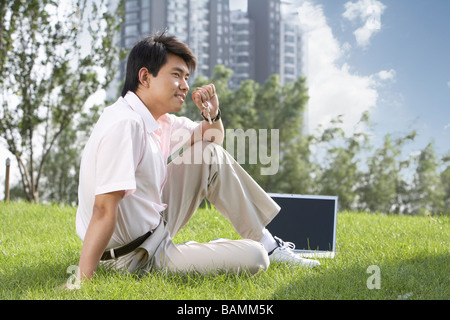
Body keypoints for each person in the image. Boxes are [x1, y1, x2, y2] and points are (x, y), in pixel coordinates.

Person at [74, 31, 319, 282]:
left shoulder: (156, 120)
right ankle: (208, 252)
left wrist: (212, 115)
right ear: (145, 77)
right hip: (134, 256)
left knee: (208, 153)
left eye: (186, 77)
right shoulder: (125, 124)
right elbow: (104, 208)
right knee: (255, 258)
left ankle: (268, 243)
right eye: (176, 75)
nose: (185, 85)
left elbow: (212, 141)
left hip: (151, 228)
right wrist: (81, 281)